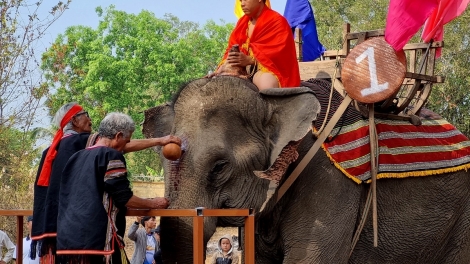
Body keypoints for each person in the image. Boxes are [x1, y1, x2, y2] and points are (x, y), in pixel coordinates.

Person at [31, 103, 180, 263]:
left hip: (66, 238)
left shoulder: (63, 152)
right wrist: (153, 203)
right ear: (74, 120)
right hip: (95, 239)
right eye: (85, 114)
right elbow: (123, 197)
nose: (90, 119)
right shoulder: (103, 152)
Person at [209, 0, 300, 90]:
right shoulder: (242, 23)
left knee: (267, 84)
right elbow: (230, 50)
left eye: (245, 0)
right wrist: (220, 69)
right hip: (241, 70)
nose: (242, 4)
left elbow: (280, 55)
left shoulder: (277, 21)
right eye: (240, 1)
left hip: (267, 70)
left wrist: (250, 60)